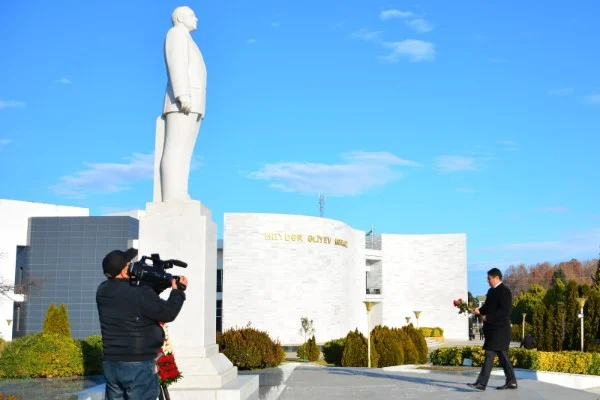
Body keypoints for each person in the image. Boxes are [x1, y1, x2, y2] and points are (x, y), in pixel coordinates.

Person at [96, 248, 188, 400]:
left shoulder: (102, 291)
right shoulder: (140, 292)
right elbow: (168, 313)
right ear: (124, 271)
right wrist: (178, 292)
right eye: (130, 264)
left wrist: (154, 286)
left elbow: (135, 304)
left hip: (111, 363)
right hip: (138, 365)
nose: (134, 266)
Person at [467, 268, 517, 391]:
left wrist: (488, 317)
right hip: (492, 329)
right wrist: (479, 310)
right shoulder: (491, 291)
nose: (487, 281)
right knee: (502, 355)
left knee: (490, 354)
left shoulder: (505, 291)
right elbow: (487, 306)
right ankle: (512, 381)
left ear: (497, 278)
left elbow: (505, 311)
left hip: (500, 329)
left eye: (489, 278)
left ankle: (481, 383)